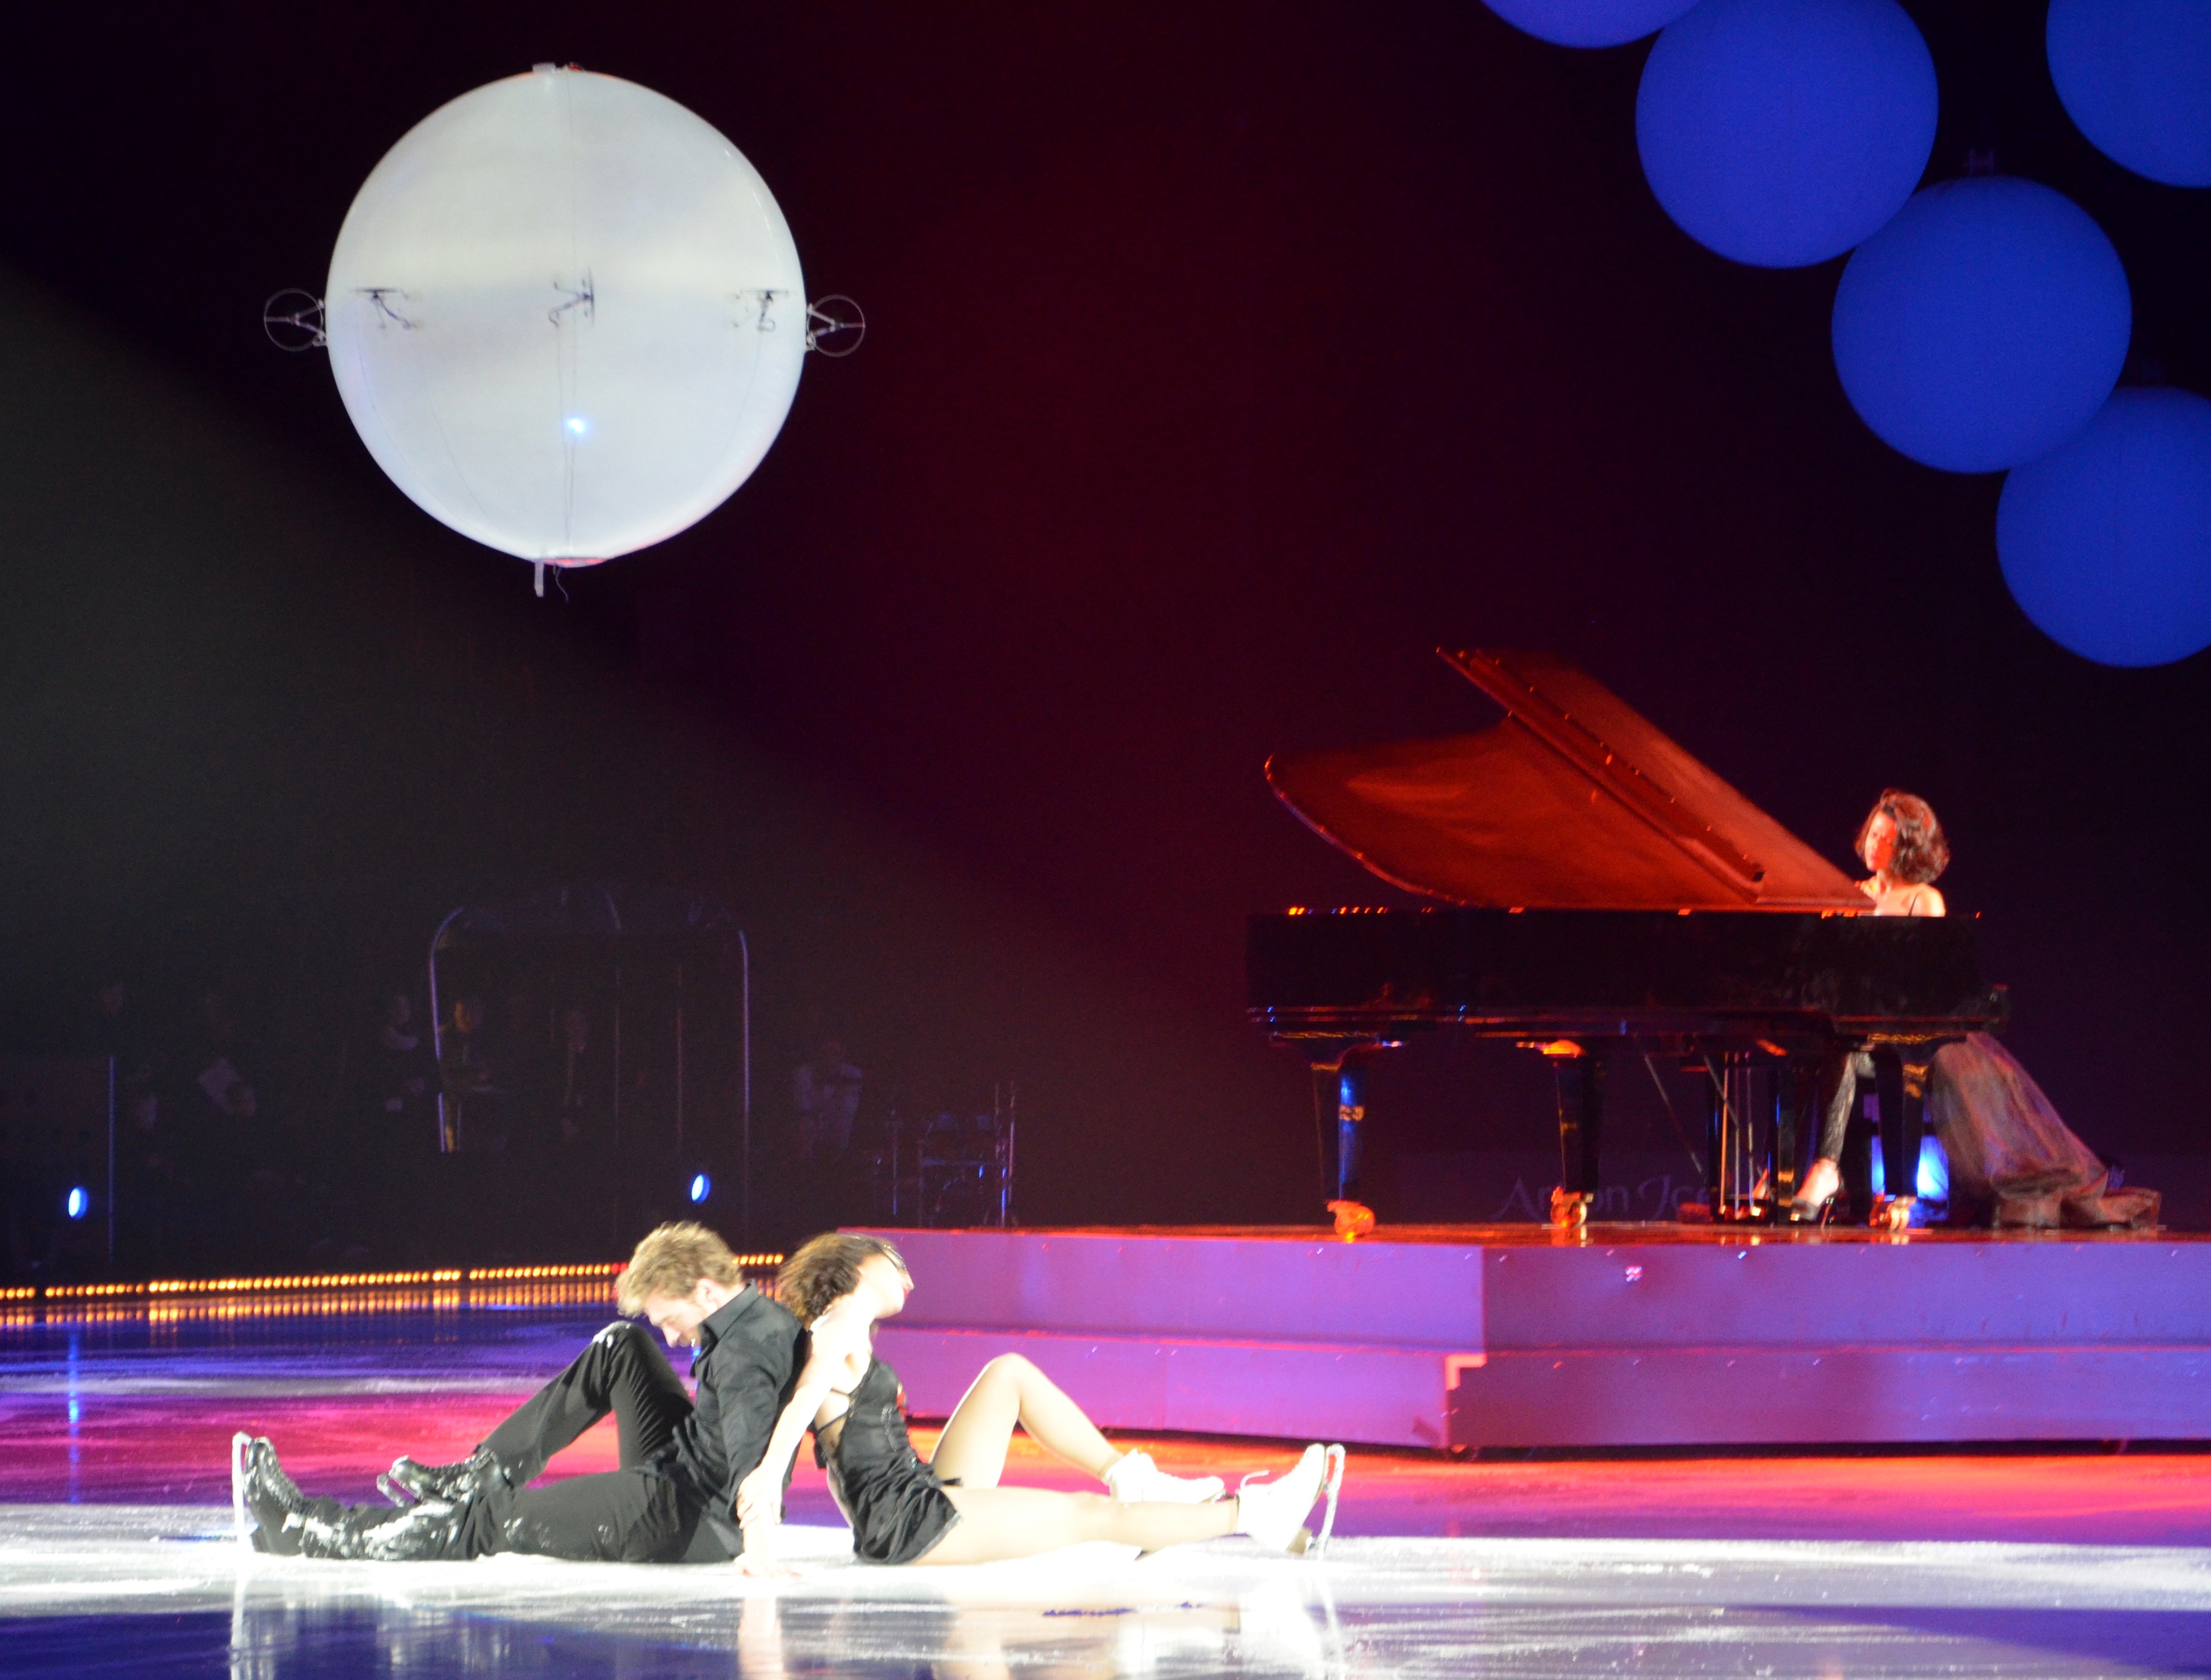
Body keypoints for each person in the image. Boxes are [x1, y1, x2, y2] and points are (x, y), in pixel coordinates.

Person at [735, 1232, 1342, 1572]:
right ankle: (1254, 1513)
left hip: (909, 1495)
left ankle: (1131, 1478)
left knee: (1008, 1374)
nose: (909, 1280)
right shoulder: (839, 1321)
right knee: (1088, 1515)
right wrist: (768, 1473)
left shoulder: (846, 1326)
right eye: (897, 1265)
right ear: (858, 1265)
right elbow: (806, 1394)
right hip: (908, 1521)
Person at [233, 1221, 805, 1562]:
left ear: (705, 1291)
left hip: (684, 1515)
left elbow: (750, 1468)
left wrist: (758, 1548)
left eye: (671, 1319)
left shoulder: (746, 1354)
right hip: (681, 1466)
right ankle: (481, 1474)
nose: (672, 1337)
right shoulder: (750, 1320)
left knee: (495, 1520)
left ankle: (307, 1529)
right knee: (621, 1345)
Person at [1792, 791, 2157, 1229]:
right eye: (1873, 835)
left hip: (1913, 1036)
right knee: (1831, 1052)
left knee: (1846, 1053)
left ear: (1908, 848)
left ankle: (1848, 1177)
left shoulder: (1924, 900)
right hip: (1859, 1036)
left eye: (1888, 839)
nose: (1875, 845)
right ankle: (1820, 1171)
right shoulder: (1849, 896)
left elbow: (1927, 984)